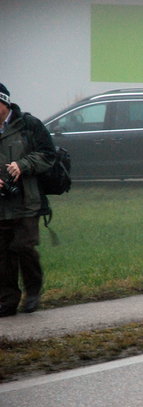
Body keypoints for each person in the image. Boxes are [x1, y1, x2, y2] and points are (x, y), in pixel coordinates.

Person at [0, 82, 56, 317]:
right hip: (1, 205)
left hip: (27, 200)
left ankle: (33, 292)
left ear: (4, 102)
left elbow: (48, 155)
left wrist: (23, 165)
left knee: (24, 247)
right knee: (2, 254)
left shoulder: (29, 125)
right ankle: (8, 300)